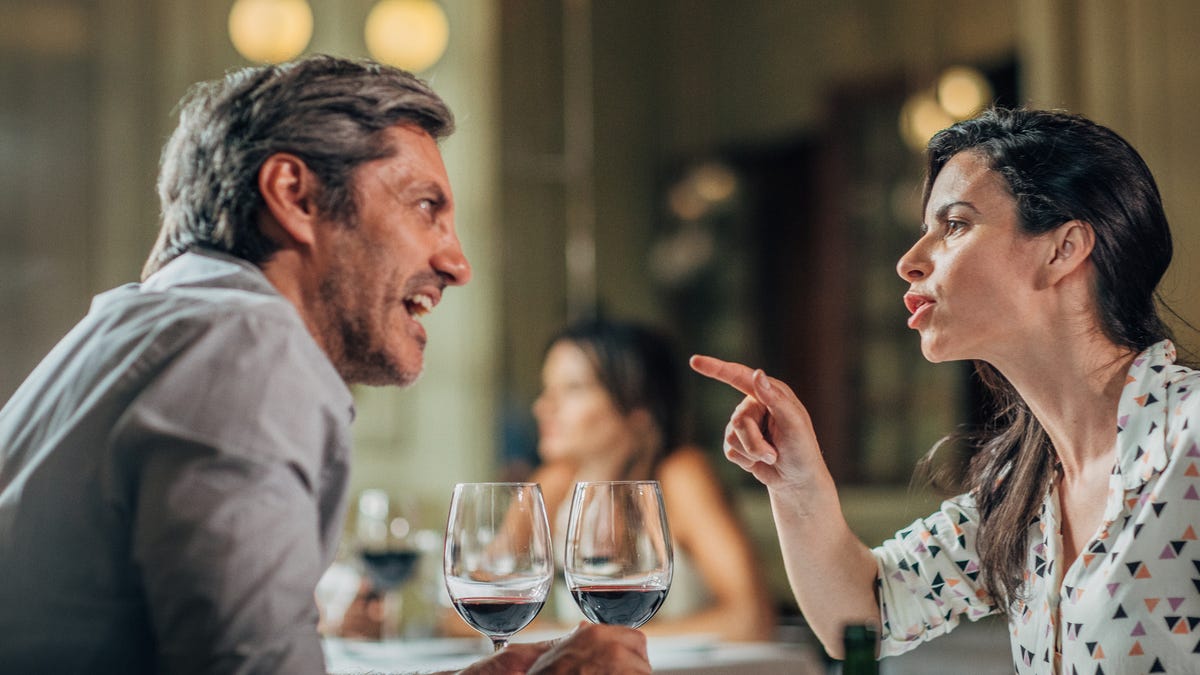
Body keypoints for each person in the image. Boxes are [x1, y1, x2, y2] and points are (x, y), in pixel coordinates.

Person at [0, 55, 650, 675]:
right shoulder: (245, 348)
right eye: (428, 207)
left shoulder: (138, 328)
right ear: (295, 195)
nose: (458, 263)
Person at [691, 108, 1200, 673]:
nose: (909, 261)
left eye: (954, 224)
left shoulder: (1189, 439)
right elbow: (863, 617)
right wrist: (795, 482)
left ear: (1063, 249)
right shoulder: (1021, 489)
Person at [528, 318, 776, 641]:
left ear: (639, 409)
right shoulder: (557, 483)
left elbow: (751, 620)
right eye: (547, 389)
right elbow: (465, 608)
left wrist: (588, 641)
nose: (543, 406)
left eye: (573, 388)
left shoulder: (680, 476)